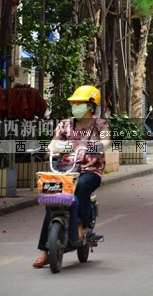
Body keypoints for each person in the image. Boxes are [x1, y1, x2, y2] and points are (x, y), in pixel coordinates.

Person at [33, 85, 109, 269]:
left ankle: (80, 224)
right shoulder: (65, 124)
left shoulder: (101, 124)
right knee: (53, 201)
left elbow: (107, 140)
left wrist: (98, 147)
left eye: (79, 103)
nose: (75, 106)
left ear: (91, 106)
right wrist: (53, 148)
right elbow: (54, 143)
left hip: (91, 171)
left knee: (82, 186)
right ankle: (44, 250)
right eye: (73, 103)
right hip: (65, 170)